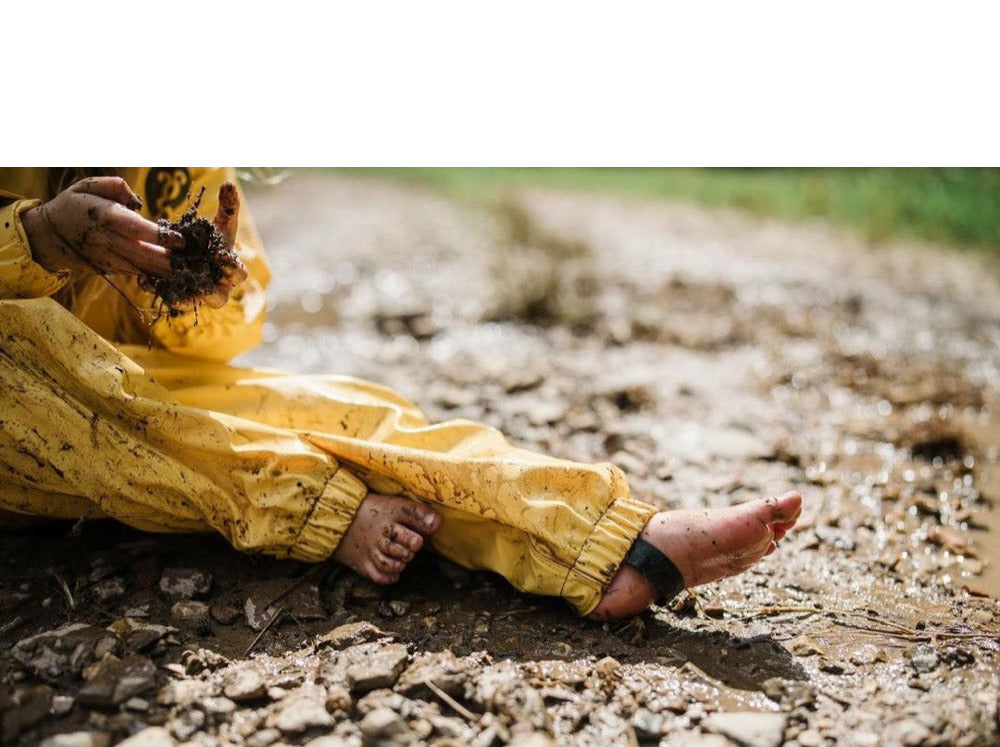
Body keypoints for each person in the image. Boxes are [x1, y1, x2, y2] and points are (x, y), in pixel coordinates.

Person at [0, 168, 801, 621]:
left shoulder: (173, 160)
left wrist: (204, 289)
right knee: (28, 347)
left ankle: (605, 540)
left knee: (346, 414)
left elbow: (227, 339)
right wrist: (31, 239)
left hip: (128, 397)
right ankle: (323, 509)